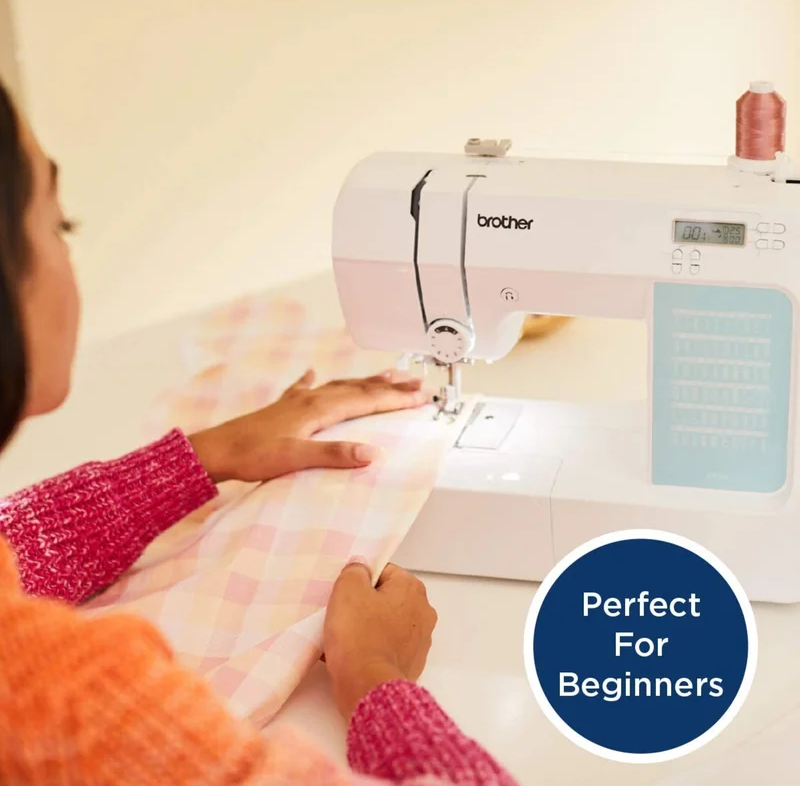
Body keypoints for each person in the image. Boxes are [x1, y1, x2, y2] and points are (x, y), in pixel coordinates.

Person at [0, 79, 517, 784]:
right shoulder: (76, 710)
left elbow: (13, 552)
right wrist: (377, 678)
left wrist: (201, 458)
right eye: (61, 225)